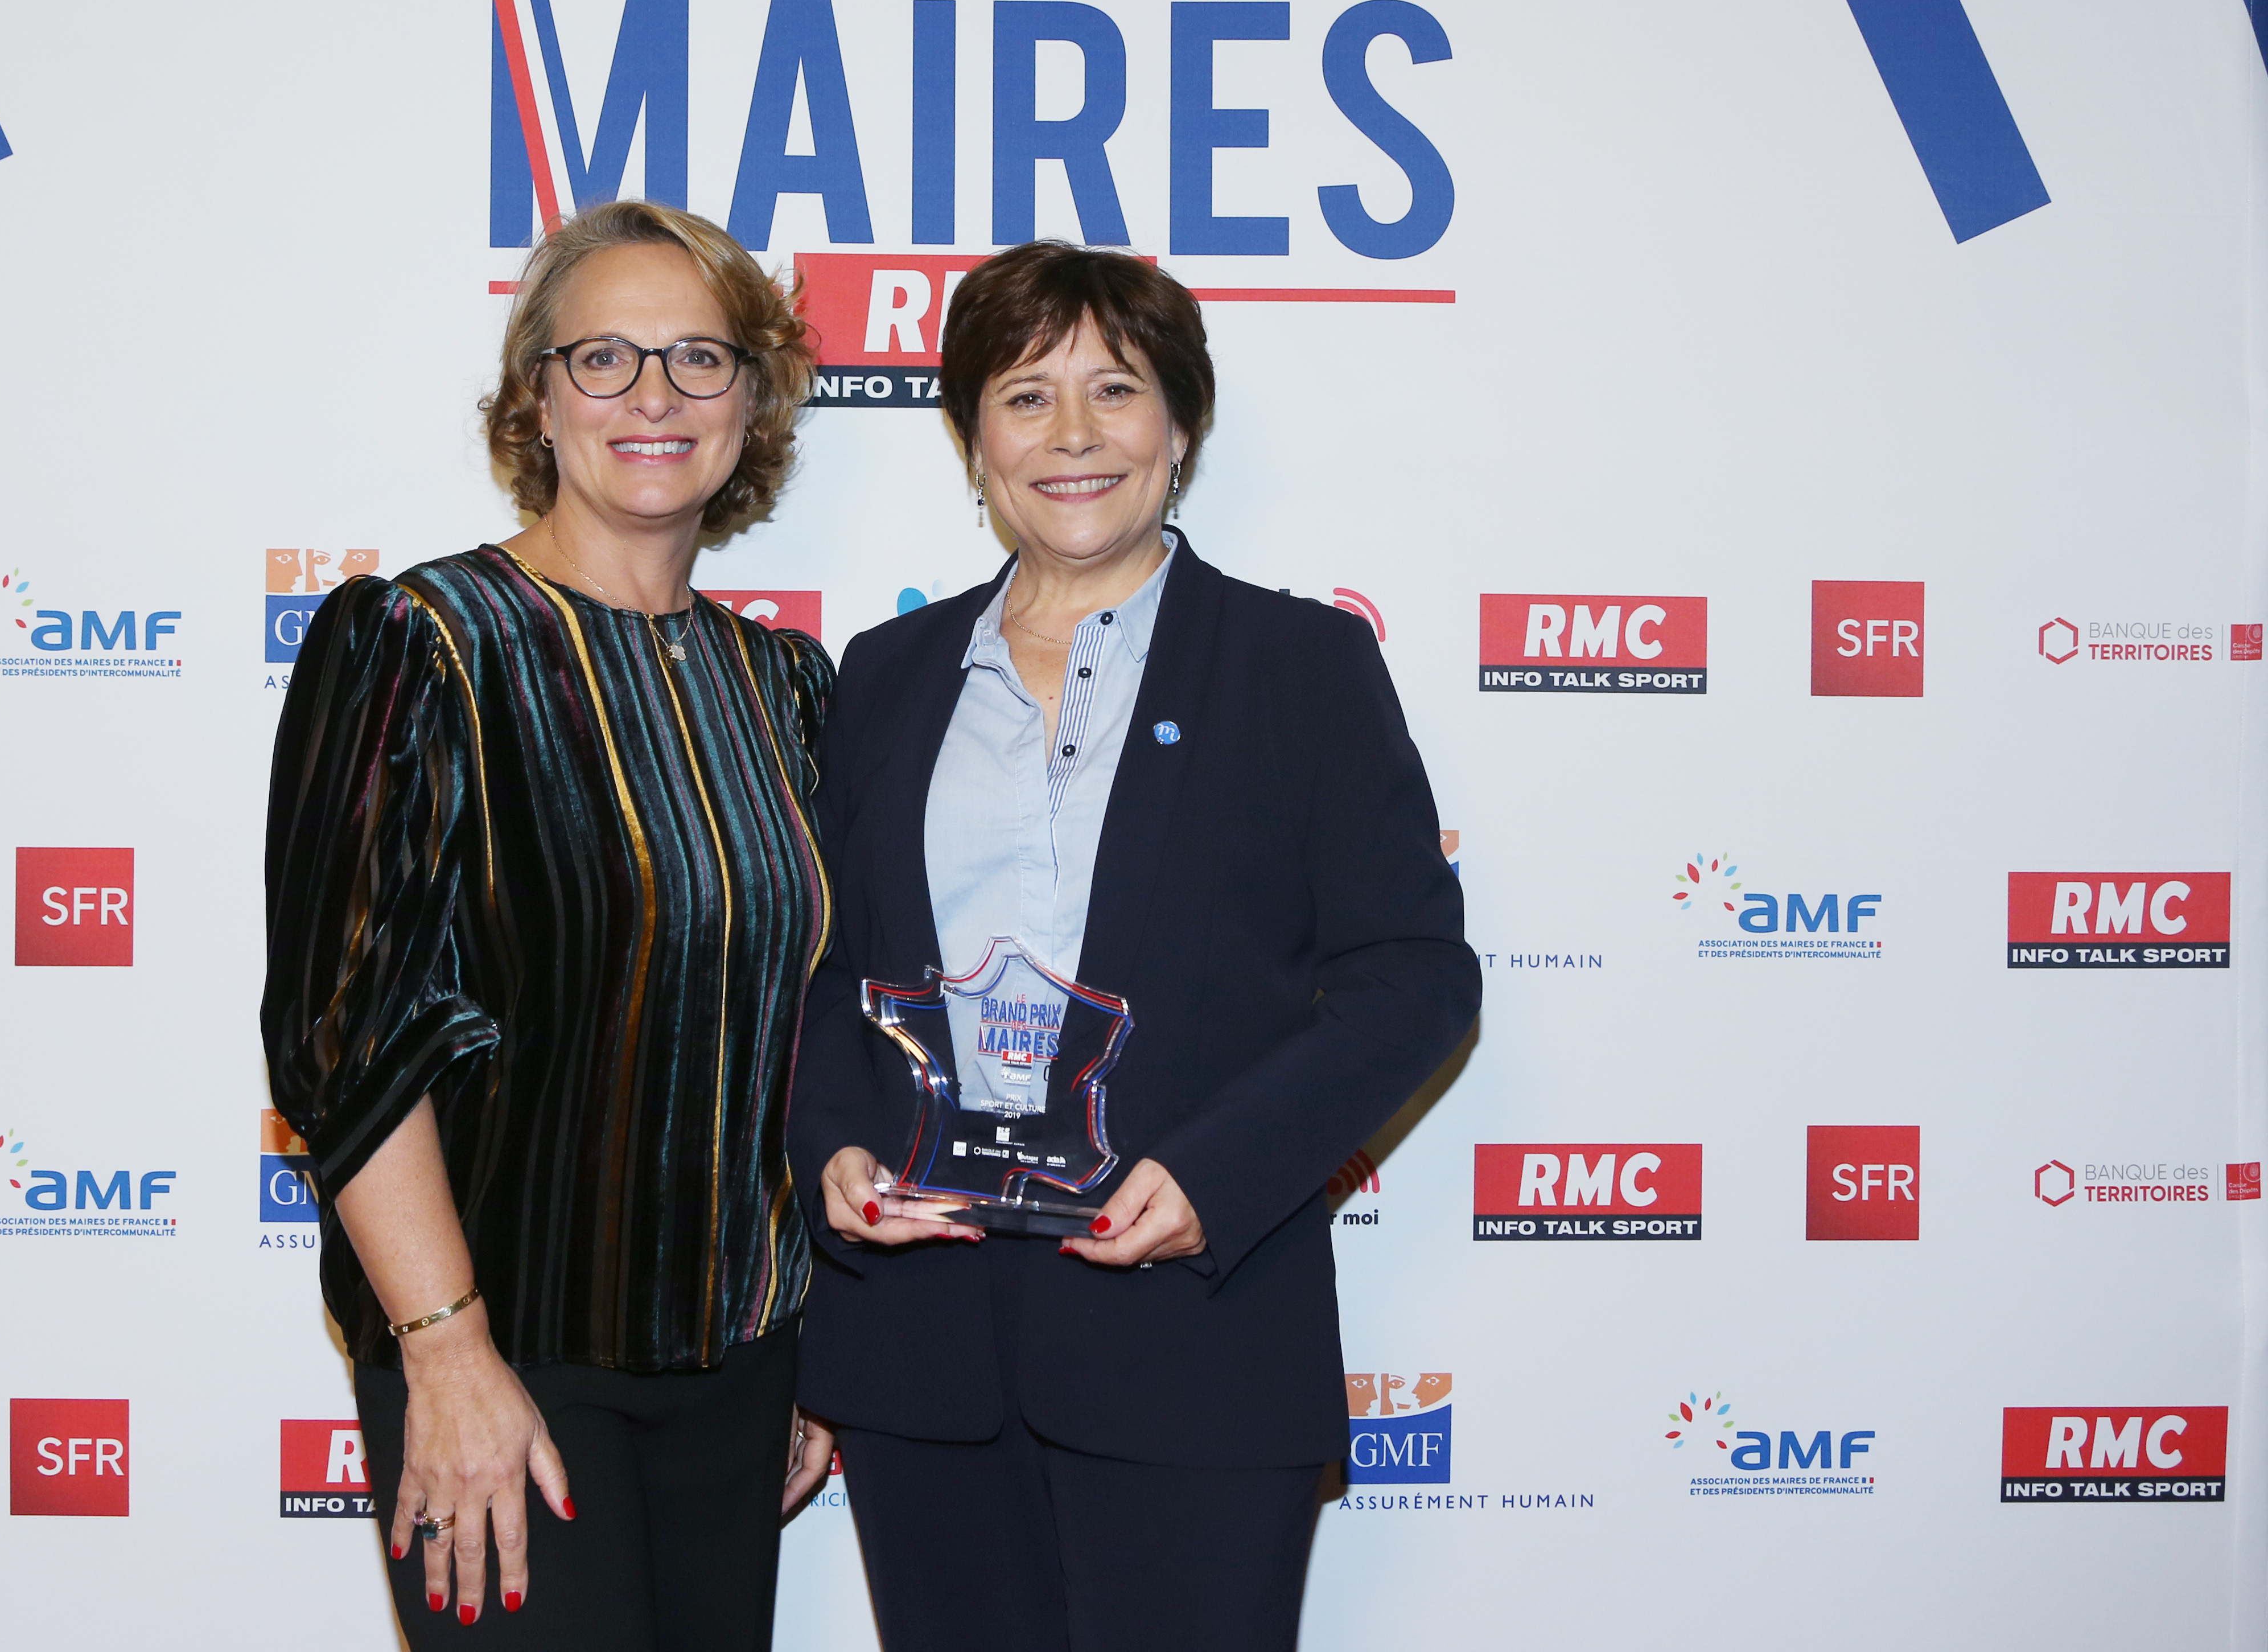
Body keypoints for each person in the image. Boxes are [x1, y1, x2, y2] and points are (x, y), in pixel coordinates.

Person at [788, 242, 1479, 1652]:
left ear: (1179, 425)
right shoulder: (882, 677)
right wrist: (833, 1150)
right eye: (1024, 396)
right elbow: (830, 974)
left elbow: (1413, 974)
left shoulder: (1297, 666)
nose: (1072, 434)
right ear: (971, 439)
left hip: (1192, 1338)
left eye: (1114, 389)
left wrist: (1216, 1178)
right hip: (922, 1355)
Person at [264, 199, 837, 1650]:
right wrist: (445, 1352)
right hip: (506, 1359)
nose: (653, 395)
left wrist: (827, 1350)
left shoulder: (785, 687)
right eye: (603, 357)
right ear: (536, 395)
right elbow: (345, 1043)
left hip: (742, 1368)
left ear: (753, 399)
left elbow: (814, 1040)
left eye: (698, 358)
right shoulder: (422, 642)